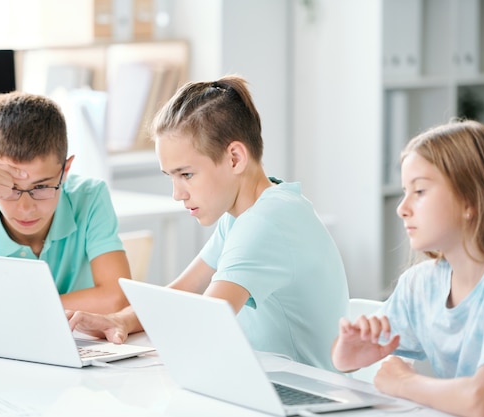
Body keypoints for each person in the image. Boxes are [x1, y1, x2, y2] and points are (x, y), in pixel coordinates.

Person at [67, 74, 350, 371]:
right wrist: (118, 320)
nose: (177, 194)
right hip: (268, 378)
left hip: (304, 391)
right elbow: (183, 291)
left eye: (186, 174)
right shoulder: (247, 213)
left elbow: (205, 326)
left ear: (235, 158)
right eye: (171, 177)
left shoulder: (266, 222)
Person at [331, 120, 484, 416]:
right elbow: (357, 355)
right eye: (405, 191)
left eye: (419, 191)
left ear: (469, 200)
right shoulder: (420, 285)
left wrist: (404, 383)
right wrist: (348, 357)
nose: (402, 207)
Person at [0, 91, 131, 323]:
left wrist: (10, 311)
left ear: (65, 171)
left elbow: (116, 298)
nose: (25, 208)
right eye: (10, 187)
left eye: (41, 187)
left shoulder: (89, 197)